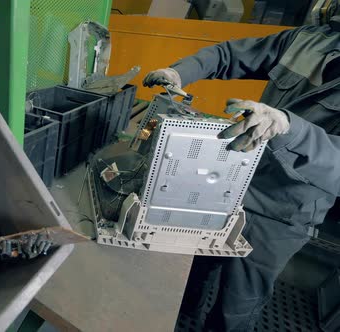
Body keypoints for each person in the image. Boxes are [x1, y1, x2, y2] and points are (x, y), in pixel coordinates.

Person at [143, 17, 340, 331]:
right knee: (191, 270)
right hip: (233, 180)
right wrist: (181, 71)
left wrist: (288, 127)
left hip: (283, 212)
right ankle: (179, 318)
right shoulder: (308, 41)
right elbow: (229, 55)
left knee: (236, 304)